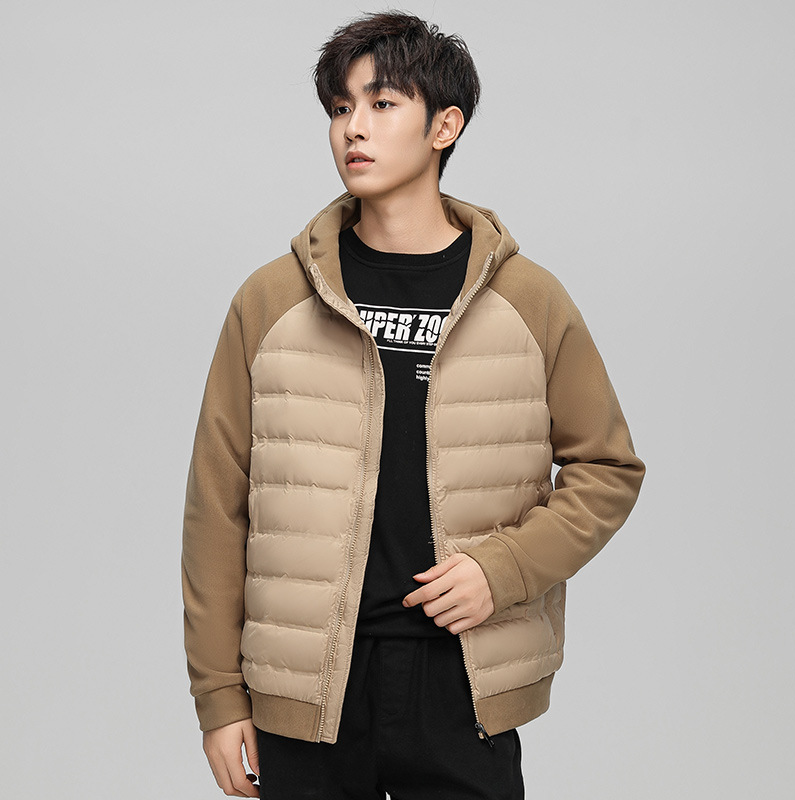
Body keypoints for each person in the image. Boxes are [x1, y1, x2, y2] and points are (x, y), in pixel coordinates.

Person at [181, 11, 645, 799]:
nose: (352, 128)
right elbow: (216, 508)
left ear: (445, 126)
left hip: (462, 682)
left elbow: (609, 469)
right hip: (306, 691)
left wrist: (504, 570)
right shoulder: (271, 300)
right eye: (340, 108)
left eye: (382, 103)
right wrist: (220, 698)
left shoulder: (528, 300)